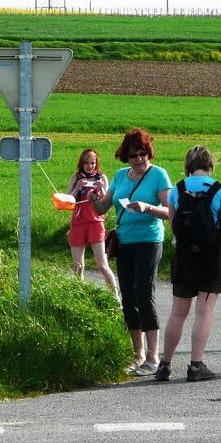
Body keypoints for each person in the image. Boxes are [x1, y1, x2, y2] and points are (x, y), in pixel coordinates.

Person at [91, 128, 172, 376]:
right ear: (125, 157)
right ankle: (137, 354)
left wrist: (148, 207)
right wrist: (95, 197)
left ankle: (153, 357)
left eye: (143, 154)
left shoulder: (158, 175)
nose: (139, 159)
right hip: (125, 240)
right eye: (133, 155)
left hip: (149, 239)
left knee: (144, 292)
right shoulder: (119, 176)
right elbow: (104, 206)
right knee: (128, 296)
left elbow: (171, 212)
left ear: (149, 154)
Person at [155, 145, 221, 382]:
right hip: (212, 256)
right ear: (210, 164)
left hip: (184, 255)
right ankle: (196, 365)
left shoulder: (177, 190)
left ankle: (165, 364)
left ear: (188, 165)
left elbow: (173, 224)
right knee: (204, 311)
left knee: (178, 312)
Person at [66, 148, 118, 298]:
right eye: (86, 163)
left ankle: (115, 296)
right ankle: (79, 295)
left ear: (96, 163)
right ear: (81, 163)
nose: (90, 166)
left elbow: (106, 202)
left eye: (93, 163)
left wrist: (101, 190)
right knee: (78, 265)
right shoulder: (75, 178)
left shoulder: (101, 178)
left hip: (95, 223)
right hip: (78, 223)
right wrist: (77, 188)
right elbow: (68, 200)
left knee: (102, 264)